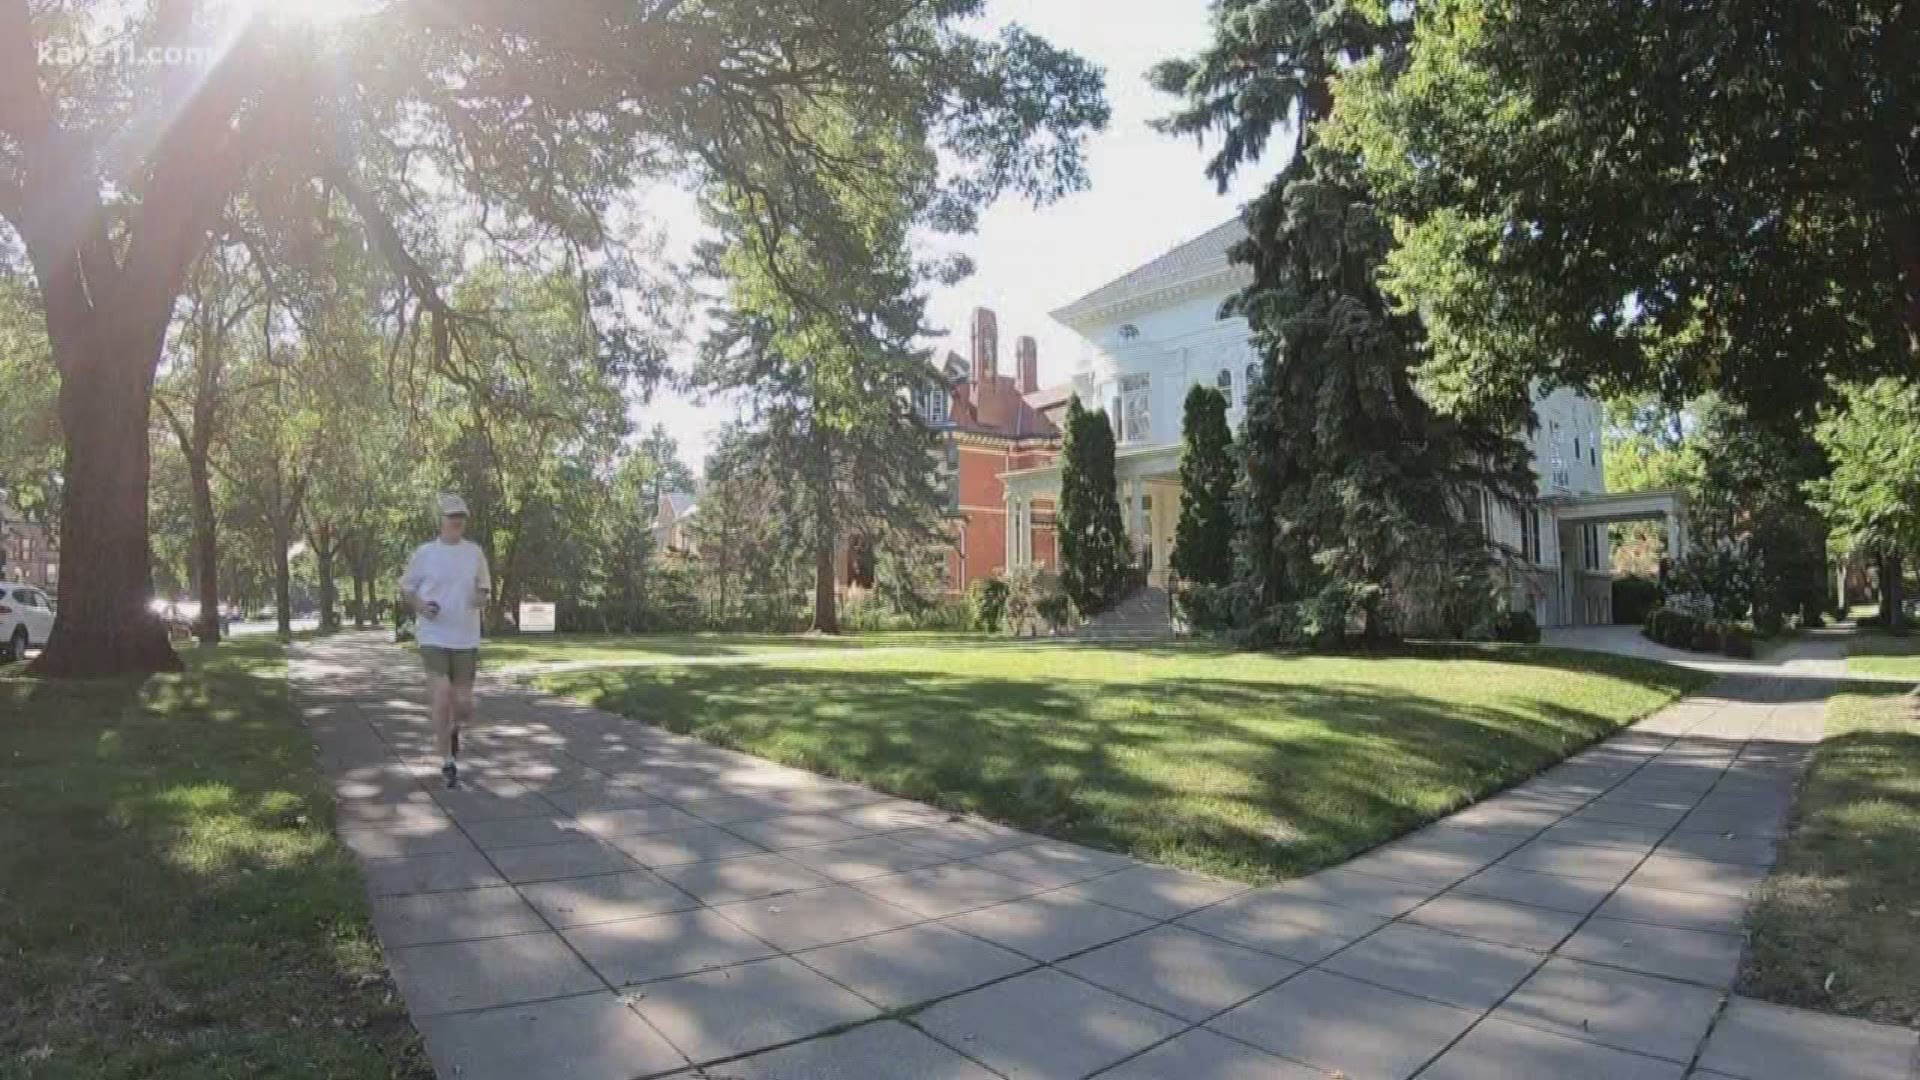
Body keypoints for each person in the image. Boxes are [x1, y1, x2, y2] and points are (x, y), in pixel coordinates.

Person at [400, 494, 491, 788]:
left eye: (461, 516)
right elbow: (408, 590)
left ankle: (454, 729)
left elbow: (484, 590)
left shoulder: (474, 552)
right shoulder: (424, 553)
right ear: (440, 520)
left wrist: (479, 598)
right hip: (433, 634)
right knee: (441, 695)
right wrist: (422, 607)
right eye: (452, 516)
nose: (457, 521)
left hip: (465, 637)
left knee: (463, 703)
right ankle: (447, 761)